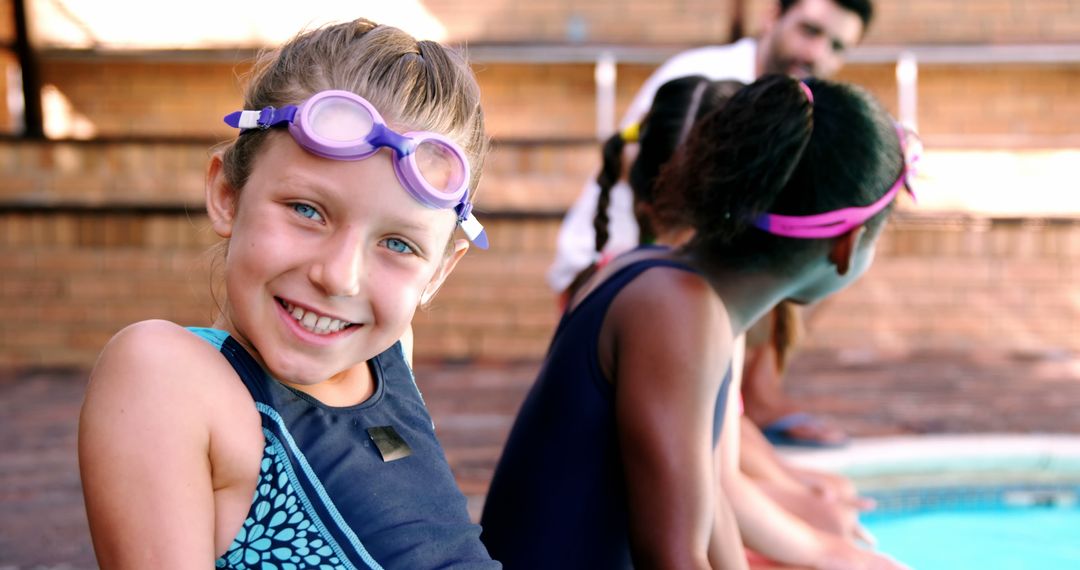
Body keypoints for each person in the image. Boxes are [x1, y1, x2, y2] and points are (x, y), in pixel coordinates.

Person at [78, 18, 500, 568]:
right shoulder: (166, 377)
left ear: (439, 273)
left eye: (397, 244)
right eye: (307, 211)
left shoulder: (390, 358)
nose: (339, 277)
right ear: (228, 194)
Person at [480, 74, 913, 569]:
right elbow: (673, 557)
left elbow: (709, 516)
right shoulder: (675, 311)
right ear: (848, 244)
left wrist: (829, 556)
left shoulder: (676, 285)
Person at [549, 0, 875, 447]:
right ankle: (745, 404)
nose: (818, 53)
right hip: (620, 257)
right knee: (771, 244)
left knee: (818, 230)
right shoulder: (708, 78)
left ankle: (751, 396)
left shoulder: (794, 106)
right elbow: (641, 172)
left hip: (683, 264)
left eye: (837, 45)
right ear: (771, 17)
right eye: (810, 31)